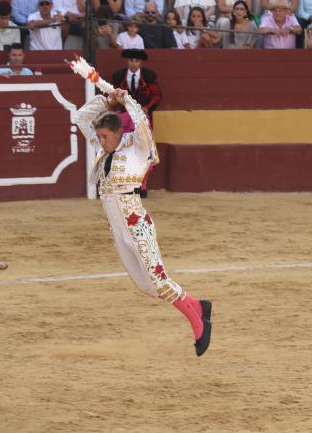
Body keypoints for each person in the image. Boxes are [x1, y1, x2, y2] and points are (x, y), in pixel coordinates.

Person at [71, 78, 212, 356]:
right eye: (98, 137)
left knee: (159, 279)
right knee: (146, 285)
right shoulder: (104, 150)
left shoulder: (137, 147)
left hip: (137, 225)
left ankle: (198, 322)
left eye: (104, 137)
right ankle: (198, 304)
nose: (100, 142)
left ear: (118, 132)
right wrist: (108, 101)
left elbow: (143, 123)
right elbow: (80, 118)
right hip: (117, 229)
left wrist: (127, 101)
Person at [111, 48, 162, 125]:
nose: (134, 64)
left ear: (141, 62)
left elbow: (157, 95)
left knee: (144, 136)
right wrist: (116, 110)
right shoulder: (119, 76)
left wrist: (146, 108)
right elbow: (112, 95)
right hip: (125, 114)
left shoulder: (148, 76)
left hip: (143, 115)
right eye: (131, 60)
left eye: (137, 61)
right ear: (127, 61)